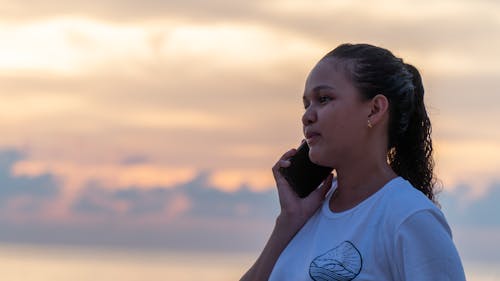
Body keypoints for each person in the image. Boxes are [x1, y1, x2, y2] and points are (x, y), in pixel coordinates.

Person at [240, 43, 466, 281]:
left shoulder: (410, 217)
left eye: (324, 99)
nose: (307, 116)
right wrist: (288, 221)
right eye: (307, 104)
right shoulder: (304, 215)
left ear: (375, 109)